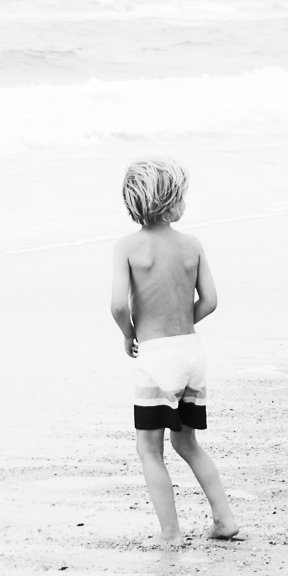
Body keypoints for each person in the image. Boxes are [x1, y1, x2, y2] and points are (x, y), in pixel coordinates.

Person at [111, 157, 239, 546]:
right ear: (173, 201)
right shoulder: (191, 245)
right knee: (187, 442)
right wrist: (184, 322)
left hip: (157, 357)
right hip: (191, 353)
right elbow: (211, 300)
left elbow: (118, 305)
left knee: (149, 449)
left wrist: (129, 332)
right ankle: (225, 519)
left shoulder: (128, 247)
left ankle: (171, 533)